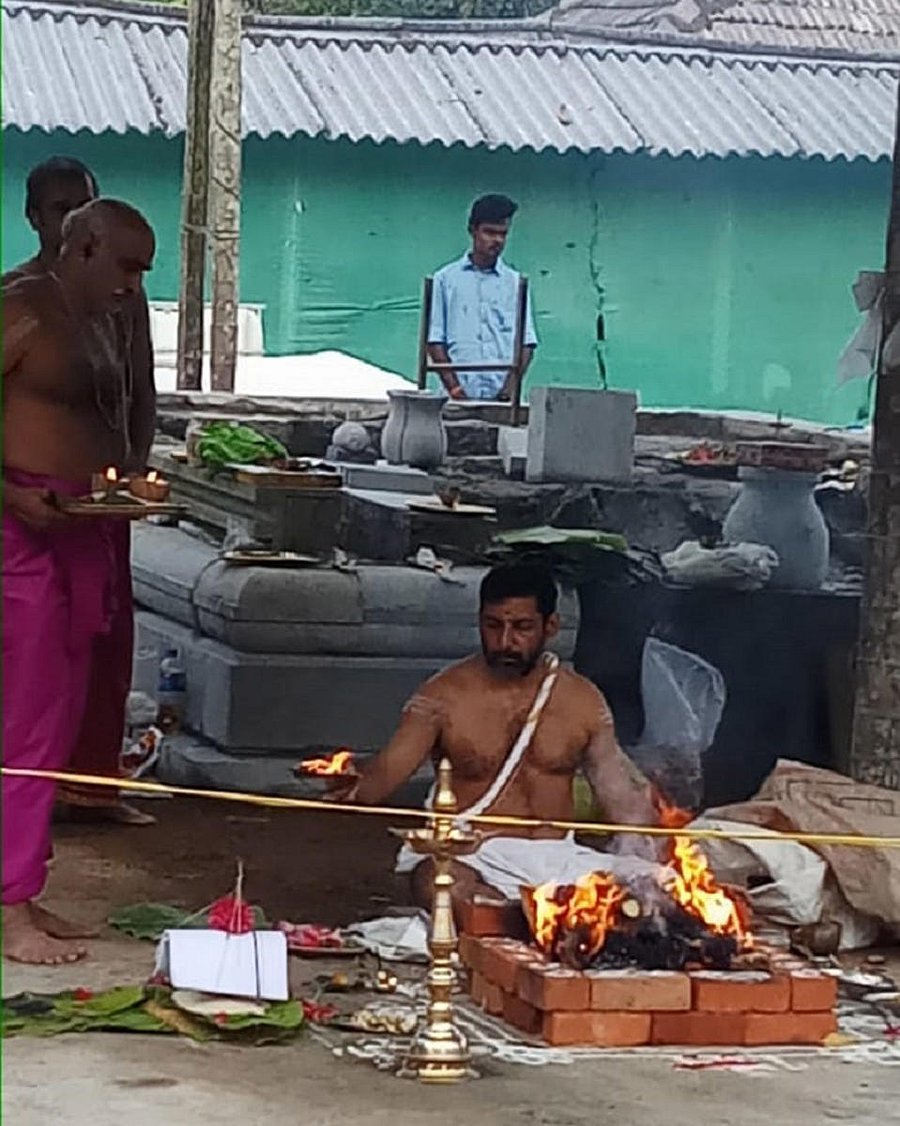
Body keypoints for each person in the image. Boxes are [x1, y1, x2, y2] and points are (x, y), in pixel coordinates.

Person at [3, 199, 156, 964]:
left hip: (81, 523)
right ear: (85, 245)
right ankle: (8, 907)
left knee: (59, 713)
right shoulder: (21, 307)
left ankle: (22, 884)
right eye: (126, 266)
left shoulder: (103, 319)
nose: (134, 285)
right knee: (25, 719)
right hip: (19, 528)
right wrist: (8, 493)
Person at [332, 563, 661, 919]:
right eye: (492, 626)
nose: (505, 642)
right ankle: (533, 924)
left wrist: (656, 843)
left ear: (550, 626)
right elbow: (378, 783)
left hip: (560, 860)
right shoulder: (442, 697)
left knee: (659, 890)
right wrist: (343, 776)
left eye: (522, 627)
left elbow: (621, 803)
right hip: (473, 857)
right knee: (442, 884)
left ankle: (537, 922)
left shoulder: (583, 700)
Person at [427, 194, 538, 402]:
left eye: (503, 234)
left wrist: (508, 391)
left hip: (504, 401)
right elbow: (434, 340)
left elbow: (527, 343)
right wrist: (455, 390)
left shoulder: (515, 283)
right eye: (490, 232)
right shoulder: (445, 280)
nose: (497, 240)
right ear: (472, 230)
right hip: (453, 400)